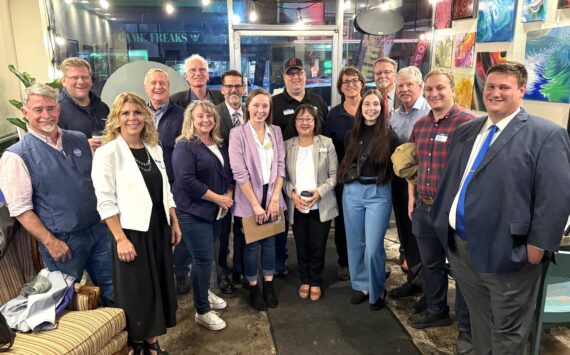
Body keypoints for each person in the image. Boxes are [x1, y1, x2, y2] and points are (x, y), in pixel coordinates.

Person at [431, 61, 570, 354]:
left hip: (510, 253)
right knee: (480, 324)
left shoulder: (545, 134)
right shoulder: (468, 130)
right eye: (491, 86)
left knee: (508, 333)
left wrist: (539, 244)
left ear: (521, 91)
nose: (495, 93)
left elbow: (556, 196)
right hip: (462, 249)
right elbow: (454, 179)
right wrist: (442, 220)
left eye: (504, 87)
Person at [0, 83, 114, 306]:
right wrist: (50, 242)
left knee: (113, 288)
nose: (46, 115)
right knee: (65, 298)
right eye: (38, 110)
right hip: (63, 241)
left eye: (51, 108)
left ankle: (125, 338)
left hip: (98, 231)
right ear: (25, 113)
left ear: (59, 109)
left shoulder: (79, 139)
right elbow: (21, 210)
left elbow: (95, 182)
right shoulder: (16, 156)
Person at [91, 92, 181, 355]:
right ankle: (138, 344)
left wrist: (174, 221)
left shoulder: (153, 147)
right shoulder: (108, 153)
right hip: (131, 232)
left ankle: (153, 341)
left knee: (158, 288)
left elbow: (166, 190)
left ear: (146, 116)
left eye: (137, 112)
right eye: (126, 113)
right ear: (117, 119)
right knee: (137, 292)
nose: (132, 118)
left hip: (158, 228)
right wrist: (120, 238)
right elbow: (105, 201)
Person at [407, 68, 474, 354]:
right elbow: (414, 165)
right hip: (423, 207)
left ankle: (467, 328)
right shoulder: (420, 126)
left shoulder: (469, 124)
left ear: (453, 89)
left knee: (461, 270)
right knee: (431, 264)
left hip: (453, 213)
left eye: (440, 88)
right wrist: (412, 197)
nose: (434, 94)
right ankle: (436, 309)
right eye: (430, 89)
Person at [172, 100, 233, 331]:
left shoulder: (217, 142)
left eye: (210, 116)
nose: (206, 120)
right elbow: (187, 181)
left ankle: (203, 291)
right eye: (200, 116)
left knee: (207, 259)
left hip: (216, 211)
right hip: (192, 212)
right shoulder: (184, 146)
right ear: (191, 119)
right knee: (203, 260)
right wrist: (219, 199)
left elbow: (227, 173)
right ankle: (202, 310)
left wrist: (227, 194)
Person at [337, 89, 397, 311]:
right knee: (355, 243)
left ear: (382, 109)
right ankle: (362, 285)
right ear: (360, 109)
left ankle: (378, 289)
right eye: (367, 105)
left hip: (378, 193)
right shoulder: (350, 135)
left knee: (373, 247)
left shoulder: (390, 136)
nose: (371, 109)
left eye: (376, 105)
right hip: (352, 192)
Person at [228, 88, 287, 311]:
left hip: (272, 193)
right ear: (248, 107)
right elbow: (239, 172)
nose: (260, 110)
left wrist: (273, 200)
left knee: (270, 243)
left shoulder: (276, 131)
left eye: (265, 106)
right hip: (248, 197)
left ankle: (269, 285)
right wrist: (255, 205)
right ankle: (253, 286)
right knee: (251, 245)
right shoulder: (238, 134)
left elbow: (281, 166)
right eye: (256, 105)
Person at [169, 54, 224, 293]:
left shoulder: (220, 99)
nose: (198, 74)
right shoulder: (176, 102)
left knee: (209, 249)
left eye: (202, 69)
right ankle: (182, 272)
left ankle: (214, 282)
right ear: (186, 74)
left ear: (208, 73)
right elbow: (187, 179)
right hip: (190, 193)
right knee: (188, 244)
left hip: (214, 185)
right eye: (193, 70)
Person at [272, 57, 328, 277]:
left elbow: (326, 136)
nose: (295, 77)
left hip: (314, 175)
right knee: (284, 224)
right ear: (284, 77)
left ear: (305, 75)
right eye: (291, 74)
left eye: (299, 73)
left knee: (311, 227)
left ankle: (312, 270)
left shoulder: (318, 101)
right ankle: (280, 263)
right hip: (284, 175)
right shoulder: (275, 103)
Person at [284, 104, 338, 301]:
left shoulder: (326, 143)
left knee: (318, 245)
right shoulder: (287, 145)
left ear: (315, 122)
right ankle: (304, 279)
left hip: (320, 204)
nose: (305, 122)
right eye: (300, 119)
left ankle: (315, 281)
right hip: (297, 205)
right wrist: (293, 195)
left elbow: (333, 176)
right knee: (300, 245)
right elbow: (282, 177)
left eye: (309, 119)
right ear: (295, 122)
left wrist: (319, 193)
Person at [143, 68, 189, 295]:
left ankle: (180, 272)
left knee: (176, 228)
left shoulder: (182, 114)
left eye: (162, 83)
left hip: (174, 182)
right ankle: (159, 273)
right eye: (154, 83)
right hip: (146, 183)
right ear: (146, 87)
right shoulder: (139, 114)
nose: (158, 87)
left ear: (169, 88)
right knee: (154, 228)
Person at [388, 66, 430, 298]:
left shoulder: (428, 113)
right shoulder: (395, 115)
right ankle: (414, 279)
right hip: (400, 183)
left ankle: (428, 288)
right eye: (400, 85)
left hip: (422, 184)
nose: (404, 89)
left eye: (409, 85)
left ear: (420, 86)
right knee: (405, 232)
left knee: (422, 236)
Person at [324, 66, 364, 281]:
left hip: (370, 178)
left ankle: (366, 261)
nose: (350, 84)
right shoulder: (334, 115)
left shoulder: (371, 108)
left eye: (354, 80)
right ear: (340, 87)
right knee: (343, 222)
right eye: (346, 82)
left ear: (361, 83)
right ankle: (345, 262)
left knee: (368, 222)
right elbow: (327, 148)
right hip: (343, 178)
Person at [216, 69, 247, 293]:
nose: (234, 90)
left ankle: (239, 269)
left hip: (247, 184)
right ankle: (221, 275)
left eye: (238, 86)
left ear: (244, 88)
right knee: (222, 232)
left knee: (244, 229)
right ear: (222, 89)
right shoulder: (214, 114)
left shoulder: (252, 112)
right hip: (223, 183)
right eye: (229, 86)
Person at [57, 57, 110, 151]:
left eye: (85, 77)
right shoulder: (56, 111)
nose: (81, 82)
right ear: (63, 81)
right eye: (75, 78)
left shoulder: (103, 108)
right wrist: (82, 146)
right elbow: (52, 148)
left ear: (91, 80)